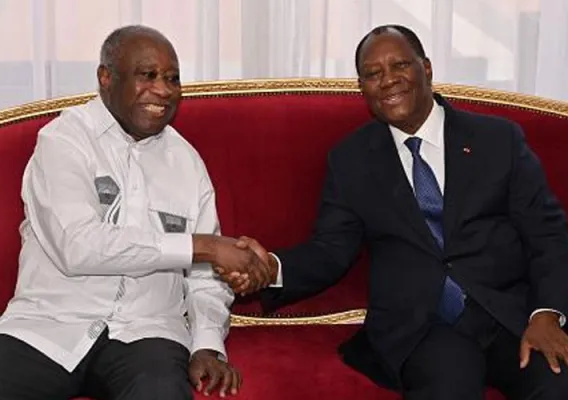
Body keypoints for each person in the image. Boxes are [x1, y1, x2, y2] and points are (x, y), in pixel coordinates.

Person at [224, 25, 568, 399]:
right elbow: (330, 251)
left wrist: (547, 313)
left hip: (508, 315)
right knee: (449, 381)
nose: (388, 80)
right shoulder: (352, 160)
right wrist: (271, 268)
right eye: (373, 74)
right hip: (421, 325)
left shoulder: (498, 139)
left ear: (428, 69)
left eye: (400, 65)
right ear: (362, 88)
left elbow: (547, 235)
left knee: (555, 379)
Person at [0, 25, 272, 400]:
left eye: (173, 79)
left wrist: (207, 345)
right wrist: (201, 246)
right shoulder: (62, 142)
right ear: (105, 77)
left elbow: (205, 279)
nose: (162, 90)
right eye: (147, 75)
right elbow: (77, 246)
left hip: (147, 333)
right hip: (47, 325)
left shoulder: (187, 162)